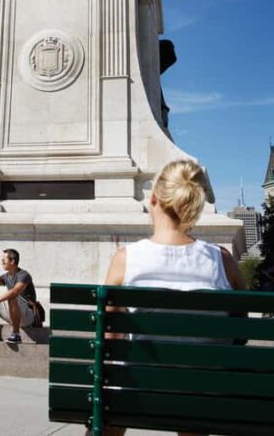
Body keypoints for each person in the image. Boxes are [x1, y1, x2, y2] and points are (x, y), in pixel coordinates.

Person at [103, 160, 246, 436]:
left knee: (111, 404)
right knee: (197, 390)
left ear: (153, 198)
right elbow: (240, 331)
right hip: (204, 394)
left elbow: (110, 340)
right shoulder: (222, 260)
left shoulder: (126, 260)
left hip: (140, 391)